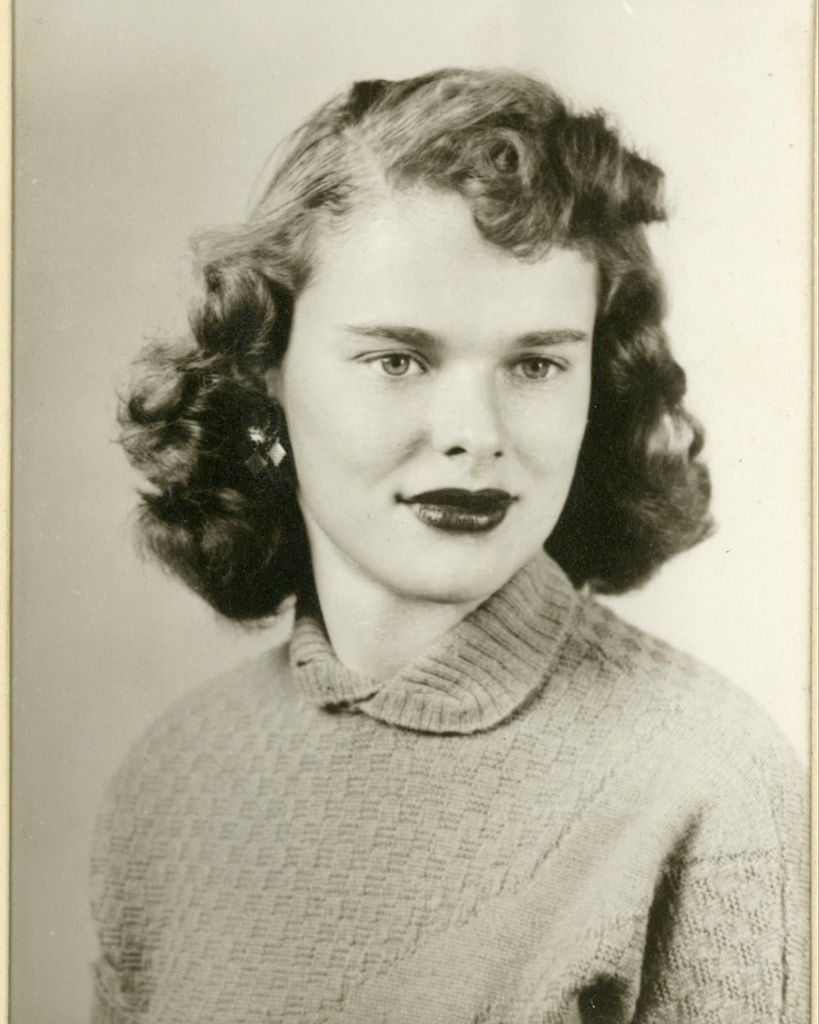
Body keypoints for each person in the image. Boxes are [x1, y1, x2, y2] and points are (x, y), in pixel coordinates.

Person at [90, 69, 808, 1023]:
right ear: (266, 371)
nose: (475, 433)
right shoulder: (171, 777)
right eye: (397, 359)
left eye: (536, 363)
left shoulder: (707, 782)